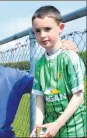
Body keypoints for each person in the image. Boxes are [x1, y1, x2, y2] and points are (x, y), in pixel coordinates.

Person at [30, 5, 86, 138]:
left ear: (61, 28)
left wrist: (57, 124)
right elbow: (40, 98)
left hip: (73, 130)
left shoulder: (70, 57)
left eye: (47, 29)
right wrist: (38, 126)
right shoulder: (39, 64)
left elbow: (78, 97)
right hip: (50, 128)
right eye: (37, 31)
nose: (42, 35)